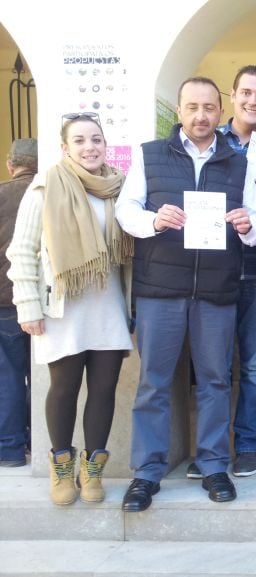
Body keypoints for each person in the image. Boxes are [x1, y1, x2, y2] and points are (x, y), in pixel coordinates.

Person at [115, 77, 256, 512]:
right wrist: (154, 219)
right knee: (153, 384)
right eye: (192, 107)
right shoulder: (150, 155)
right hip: (160, 289)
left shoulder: (239, 163)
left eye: (209, 108)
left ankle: (215, 465)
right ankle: (146, 473)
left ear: (222, 112)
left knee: (216, 381)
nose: (201, 116)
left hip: (217, 291)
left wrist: (246, 225)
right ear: (179, 110)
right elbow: (126, 211)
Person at [7, 117, 133, 505]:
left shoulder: (118, 189)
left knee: (103, 390)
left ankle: (92, 470)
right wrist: (28, 306)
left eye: (96, 139)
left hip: (108, 306)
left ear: (105, 144)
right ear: (65, 148)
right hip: (62, 308)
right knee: (63, 389)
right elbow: (21, 253)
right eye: (79, 140)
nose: (89, 146)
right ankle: (62, 468)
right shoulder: (43, 189)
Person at [185, 64, 256, 481]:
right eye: (247, 92)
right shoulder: (209, 138)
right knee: (215, 364)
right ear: (232, 95)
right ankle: (211, 450)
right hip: (214, 266)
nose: (253, 101)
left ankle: (245, 446)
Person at [0, 138, 37, 468]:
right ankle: (38, 442)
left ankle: (10, 449)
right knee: (39, 377)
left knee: (7, 376)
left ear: (12, 165)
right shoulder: (43, 194)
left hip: (2, 304)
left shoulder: (0, 193)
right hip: (37, 301)